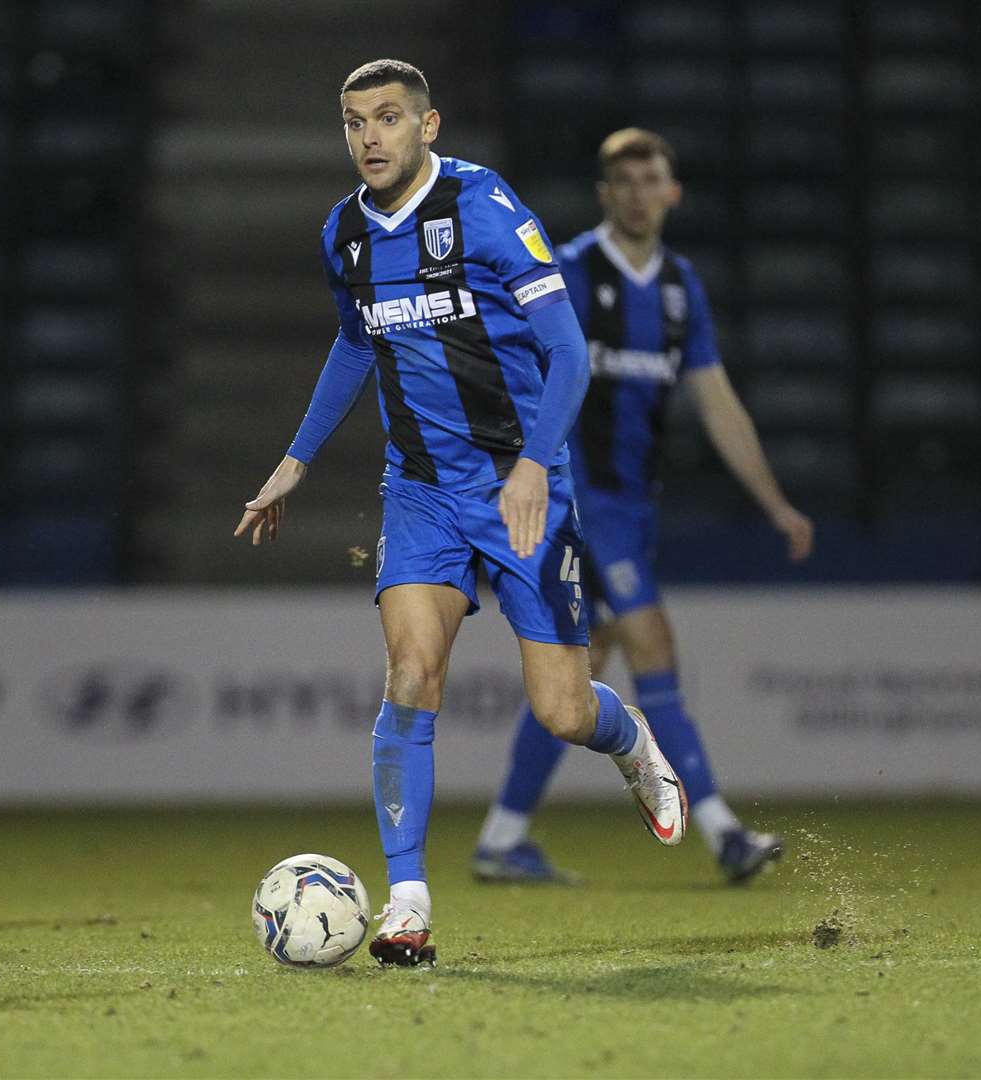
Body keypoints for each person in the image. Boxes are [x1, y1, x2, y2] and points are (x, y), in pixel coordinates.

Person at [235, 61, 688, 968]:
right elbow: (356, 342)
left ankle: (629, 737)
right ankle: (407, 901)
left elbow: (566, 352)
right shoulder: (346, 235)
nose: (370, 136)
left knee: (561, 710)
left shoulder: (483, 209)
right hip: (419, 491)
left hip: (524, 490)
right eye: (355, 121)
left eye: (389, 117)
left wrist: (530, 467)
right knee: (411, 672)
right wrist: (296, 460)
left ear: (428, 126)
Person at [472, 129, 815, 886]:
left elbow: (718, 404)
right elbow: (517, 379)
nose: (636, 192)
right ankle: (724, 832)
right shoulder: (567, 271)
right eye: (621, 180)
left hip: (633, 506)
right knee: (654, 642)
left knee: (576, 675)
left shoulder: (677, 287)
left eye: (649, 179)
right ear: (604, 194)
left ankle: (501, 838)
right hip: (580, 502)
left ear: (671, 192)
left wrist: (775, 503)